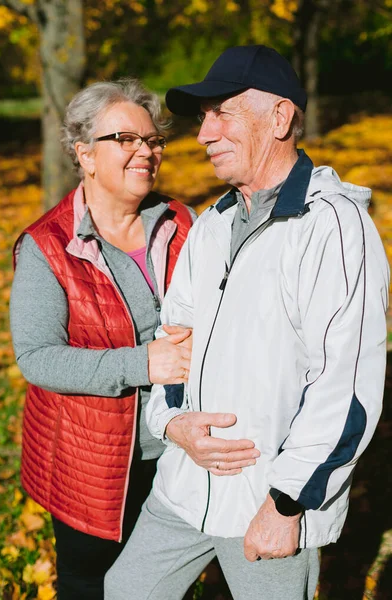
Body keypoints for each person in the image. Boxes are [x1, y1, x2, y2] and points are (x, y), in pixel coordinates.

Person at [105, 46, 390, 600]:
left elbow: (346, 385)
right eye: (203, 117)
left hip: (269, 498)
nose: (203, 134)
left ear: (279, 118)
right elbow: (174, 341)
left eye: (222, 113)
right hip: (184, 485)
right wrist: (172, 426)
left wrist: (288, 503)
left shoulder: (333, 226)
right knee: (126, 589)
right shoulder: (212, 224)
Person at [10, 78, 196, 600]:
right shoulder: (50, 246)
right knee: (90, 581)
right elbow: (38, 357)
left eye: (153, 140)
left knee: (158, 583)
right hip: (91, 459)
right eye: (126, 139)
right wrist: (143, 364)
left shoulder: (182, 222)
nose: (145, 151)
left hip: (180, 446)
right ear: (85, 154)